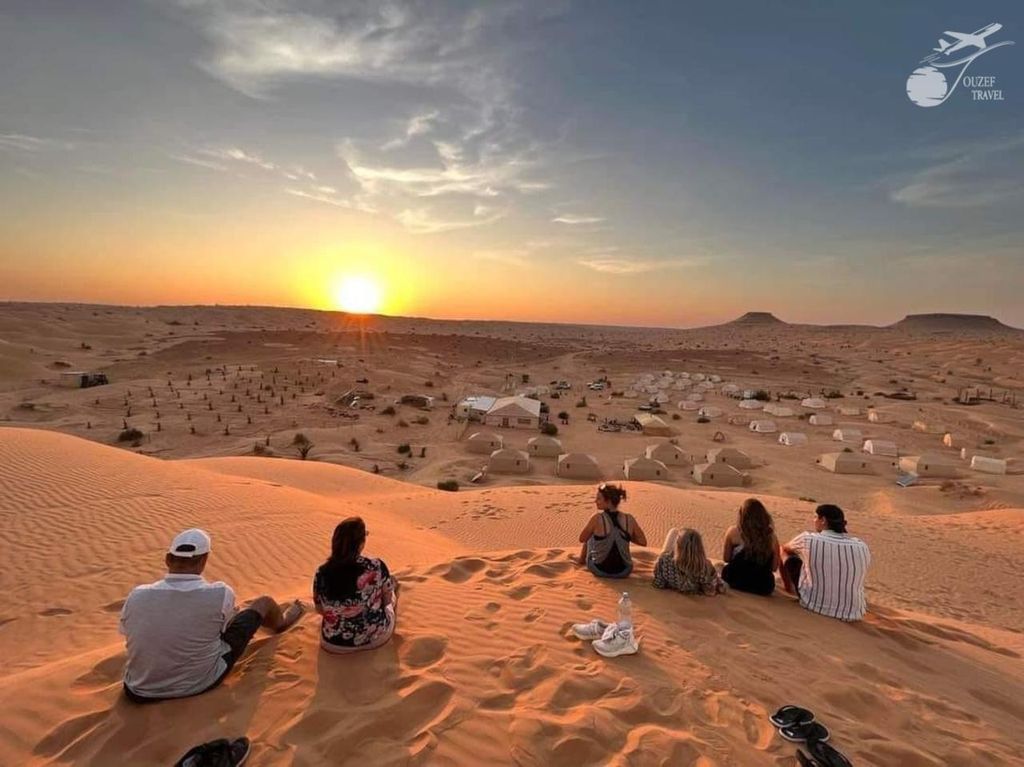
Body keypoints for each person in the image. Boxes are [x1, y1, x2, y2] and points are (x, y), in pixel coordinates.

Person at [119, 528, 304, 702]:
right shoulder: (220, 593)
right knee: (263, 603)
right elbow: (226, 629)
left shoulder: (137, 595)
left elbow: (127, 632)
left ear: (168, 559)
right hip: (199, 683)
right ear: (203, 561)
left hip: (138, 690)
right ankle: (283, 622)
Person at [314, 517, 398, 653]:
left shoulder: (321, 572)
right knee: (391, 600)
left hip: (332, 642)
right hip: (374, 638)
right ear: (360, 543)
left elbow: (319, 609)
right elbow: (387, 601)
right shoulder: (376, 566)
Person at [781, 504, 871, 621]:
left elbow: (786, 548)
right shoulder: (862, 546)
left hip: (815, 605)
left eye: (815, 517)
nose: (814, 521)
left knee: (785, 553)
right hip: (853, 612)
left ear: (823, 520)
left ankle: (789, 589)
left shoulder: (807, 539)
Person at [576, 483, 648, 578]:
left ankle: (581, 562)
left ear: (608, 501)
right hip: (624, 571)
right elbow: (643, 542)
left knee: (590, 535)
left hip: (599, 569)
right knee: (595, 532)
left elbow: (582, 539)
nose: (595, 501)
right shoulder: (629, 519)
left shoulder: (597, 518)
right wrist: (626, 536)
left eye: (599, 498)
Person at [721, 498, 781, 595]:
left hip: (734, 579)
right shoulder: (772, 538)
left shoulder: (733, 532)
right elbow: (774, 567)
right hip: (763, 586)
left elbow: (726, 558)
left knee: (718, 567)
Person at [653, 528, 727, 595]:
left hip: (671, 560)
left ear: (677, 545)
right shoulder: (702, 567)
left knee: (674, 531)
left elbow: (659, 583)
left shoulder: (664, 561)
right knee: (718, 566)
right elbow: (710, 591)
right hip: (697, 570)